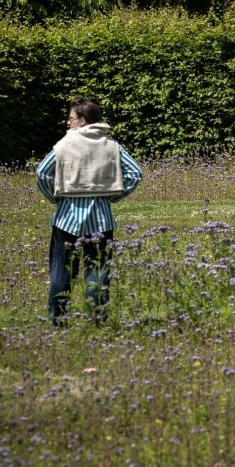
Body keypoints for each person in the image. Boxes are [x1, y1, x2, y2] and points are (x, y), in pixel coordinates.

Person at [35, 97, 142, 324]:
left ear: (82, 121)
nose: (68, 122)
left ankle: (58, 321)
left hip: (66, 219)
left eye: (71, 118)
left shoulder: (64, 144)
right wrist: (113, 197)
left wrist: (56, 198)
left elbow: (42, 173)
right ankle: (98, 319)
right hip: (101, 220)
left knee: (61, 273)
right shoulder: (111, 145)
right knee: (99, 272)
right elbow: (135, 173)